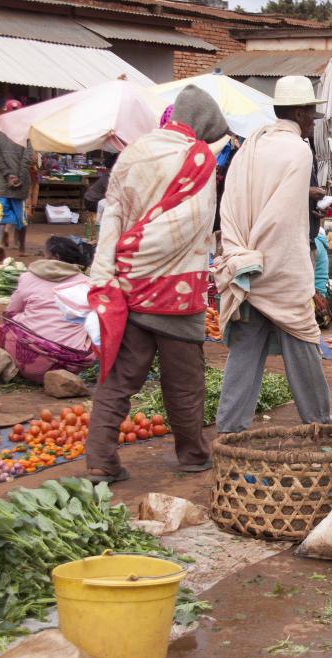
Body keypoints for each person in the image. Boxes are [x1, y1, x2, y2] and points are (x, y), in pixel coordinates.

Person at [85, 85, 228, 484]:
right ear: (202, 124)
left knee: (118, 379)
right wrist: (151, 257)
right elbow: (195, 224)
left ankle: (99, 460)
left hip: (129, 285)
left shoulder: (133, 152)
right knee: (185, 382)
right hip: (176, 292)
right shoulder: (197, 157)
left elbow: (111, 214)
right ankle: (192, 454)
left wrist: (118, 265)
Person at [216, 75, 331, 434]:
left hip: (244, 263)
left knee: (245, 354)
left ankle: (229, 430)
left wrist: (245, 256)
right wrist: (294, 273)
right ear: (298, 111)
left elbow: (232, 203)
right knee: (303, 347)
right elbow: (282, 219)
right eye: (311, 113)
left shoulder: (252, 145)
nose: (313, 120)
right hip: (279, 267)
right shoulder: (297, 149)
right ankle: (320, 426)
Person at [0, 236, 96, 383]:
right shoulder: (88, 283)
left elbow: (11, 311)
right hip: (69, 364)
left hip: (27, 360)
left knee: (7, 322)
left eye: (45, 254)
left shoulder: (27, 277)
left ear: (55, 257)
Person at [0, 100, 33, 261]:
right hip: (20, 181)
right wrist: (18, 176)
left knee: (0, 215)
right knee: (21, 216)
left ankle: (1, 242)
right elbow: (28, 156)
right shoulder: (25, 130)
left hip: (1, 179)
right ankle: (21, 248)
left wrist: (8, 175)